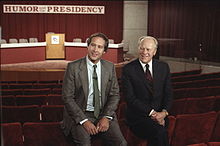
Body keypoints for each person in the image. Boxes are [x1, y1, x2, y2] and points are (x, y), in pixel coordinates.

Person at [61, 32, 127, 146]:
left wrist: (106, 117)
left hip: (103, 112)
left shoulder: (109, 67)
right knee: (85, 144)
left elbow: (114, 94)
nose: (95, 50)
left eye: (100, 47)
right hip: (80, 113)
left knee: (121, 143)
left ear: (104, 51)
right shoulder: (73, 67)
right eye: (93, 45)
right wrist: (84, 121)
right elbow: (67, 97)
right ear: (87, 46)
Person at [121, 36, 173, 146]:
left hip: (161, 115)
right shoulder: (128, 69)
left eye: (148, 49)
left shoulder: (163, 67)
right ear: (138, 49)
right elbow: (130, 98)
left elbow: (168, 94)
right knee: (160, 132)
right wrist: (153, 114)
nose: (144, 52)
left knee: (160, 132)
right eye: (142, 48)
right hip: (138, 117)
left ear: (154, 52)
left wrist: (164, 113)